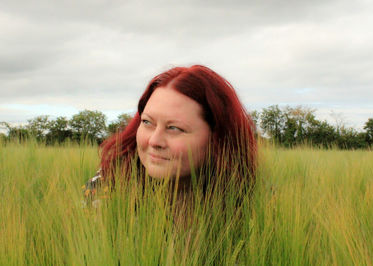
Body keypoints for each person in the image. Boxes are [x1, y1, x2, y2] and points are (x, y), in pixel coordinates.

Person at [83, 65, 257, 206]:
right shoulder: (106, 189)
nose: (154, 141)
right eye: (147, 122)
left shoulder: (255, 204)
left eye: (174, 128)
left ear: (217, 138)